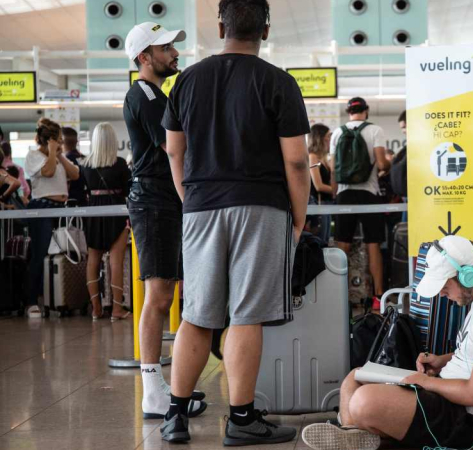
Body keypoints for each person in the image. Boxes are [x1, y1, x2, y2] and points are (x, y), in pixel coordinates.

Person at [159, 0, 310, 445]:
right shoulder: (278, 82)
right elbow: (298, 162)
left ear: (220, 25)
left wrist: (191, 197)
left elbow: (173, 150)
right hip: (260, 207)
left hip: (202, 205)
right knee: (247, 314)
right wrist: (298, 219)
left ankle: (175, 415)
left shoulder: (187, 80)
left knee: (197, 314)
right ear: (265, 29)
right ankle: (242, 420)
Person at [301, 235, 473, 450]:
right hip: (449, 396)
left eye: (444, 287)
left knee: (363, 401)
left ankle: (357, 429)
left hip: (470, 419)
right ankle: (352, 435)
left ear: (468, 275)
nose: (442, 295)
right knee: (355, 378)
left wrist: (425, 382)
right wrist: (442, 360)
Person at [123, 21, 207, 419]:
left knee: (167, 295)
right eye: (166, 48)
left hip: (164, 203)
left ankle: (167, 388)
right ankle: (152, 390)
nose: (174, 53)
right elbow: (174, 146)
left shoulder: (157, 93)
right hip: (154, 202)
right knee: (158, 298)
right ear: (145, 57)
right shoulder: (144, 94)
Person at [330, 97, 391, 304]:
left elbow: (333, 169)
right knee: (373, 244)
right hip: (369, 192)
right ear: (366, 111)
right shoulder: (375, 130)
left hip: (344, 194)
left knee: (342, 245)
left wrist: (335, 193)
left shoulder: (337, 132)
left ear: (348, 112)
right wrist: (385, 169)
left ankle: (338, 294)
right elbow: (382, 162)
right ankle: (379, 295)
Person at [24, 118, 80, 318]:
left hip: (61, 210)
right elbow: (47, 173)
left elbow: (75, 174)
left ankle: (62, 297)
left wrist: (60, 155)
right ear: (50, 140)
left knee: (65, 254)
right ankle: (31, 300)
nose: (61, 143)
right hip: (42, 208)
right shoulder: (33, 156)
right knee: (40, 254)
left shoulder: (59, 158)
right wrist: (50, 153)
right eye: (58, 140)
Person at [81, 123, 132, 321]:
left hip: (93, 213)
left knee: (92, 261)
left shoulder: (85, 165)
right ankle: (117, 310)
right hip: (116, 213)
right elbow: (129, 190)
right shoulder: (119, 164)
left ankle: (96, 309)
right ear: (112, 141)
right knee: (115, 261)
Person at [308, 123, 334, 244]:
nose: (330, 139)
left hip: (327, 204)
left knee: (326, 240)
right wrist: (336, 191)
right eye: (328, 136)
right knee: (321, 241)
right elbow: (318, 185)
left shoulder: (324, 159)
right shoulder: (312, 157)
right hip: (319, 204)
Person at [62, 127, 88, 206]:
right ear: (76, 141)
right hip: (85, 202)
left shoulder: (64, 161)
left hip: (69, 204)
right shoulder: (85, 158)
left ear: (61, 141)